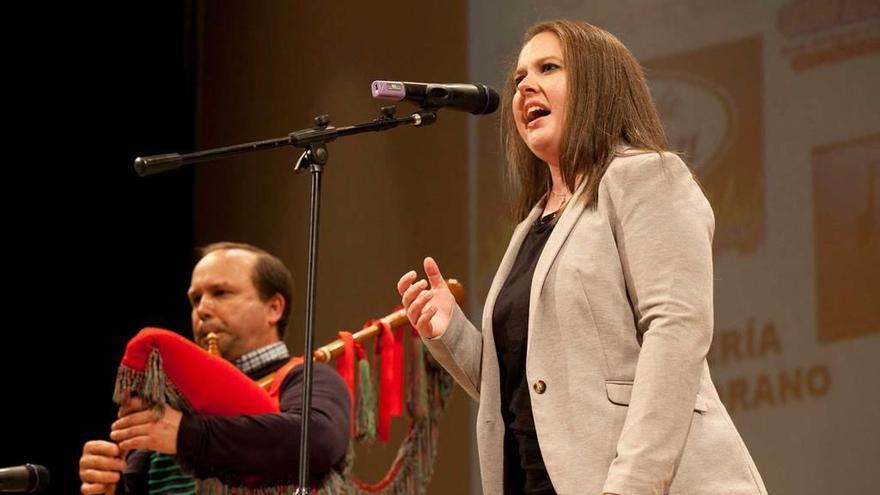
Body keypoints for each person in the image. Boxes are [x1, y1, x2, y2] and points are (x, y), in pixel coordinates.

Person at [398, 19, 768, 495]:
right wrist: (451, 333)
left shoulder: (645, 177)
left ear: (598, 85)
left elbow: (677, 329)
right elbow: (535, 388)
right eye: (519, 79)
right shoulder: (531, 227)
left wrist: (632, 486)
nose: (525, 85)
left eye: (548, 67)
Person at [79, 242, 351, 494]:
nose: (203, 310)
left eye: (221, 293)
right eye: (195, 299)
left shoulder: (306, 377)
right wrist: (111, 481)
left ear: (274, 308)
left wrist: (185, 435)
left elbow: (318, 442)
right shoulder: (175, 399)